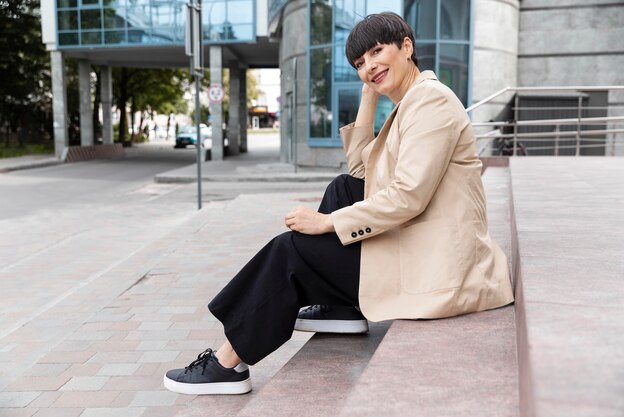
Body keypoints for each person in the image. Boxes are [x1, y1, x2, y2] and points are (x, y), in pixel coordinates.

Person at [163, 12, 514, 396]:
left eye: (378, 52)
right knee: (345, 187)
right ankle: (342, 308)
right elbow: (364, 170)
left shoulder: (430, 102)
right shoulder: (410, 101)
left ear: (407, 47)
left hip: (439, 265)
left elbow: (408, 196)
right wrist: (370, 92)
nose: (370, 67)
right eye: (360, 63)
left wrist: (327, 224)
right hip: (424, 243)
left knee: (290, 251)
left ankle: (226, 364)